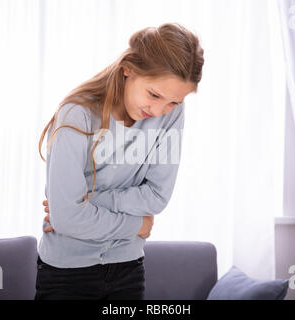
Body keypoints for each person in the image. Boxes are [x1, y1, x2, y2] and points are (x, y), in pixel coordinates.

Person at [35, 22, 204, 300]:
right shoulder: (76, 115)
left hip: (128, 269)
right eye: (154, 95)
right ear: (129, 69)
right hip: (67, 274)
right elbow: (66, 219)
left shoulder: (171, 113)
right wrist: (136, 226)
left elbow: (157, 197)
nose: (160, 110)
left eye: (173, 102)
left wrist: (86, 202)